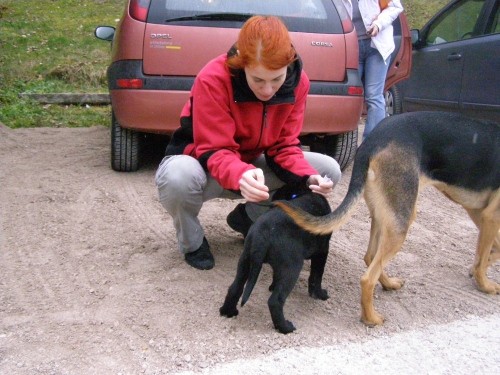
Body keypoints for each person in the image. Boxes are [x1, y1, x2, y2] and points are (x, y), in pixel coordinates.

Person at [155, 16, 341, 270]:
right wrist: (240, 174)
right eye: (258, 80)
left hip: (249, 164)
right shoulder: (213, 77)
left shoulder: (299, 83)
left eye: (276, 79)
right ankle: (193, 243)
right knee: (178, 177)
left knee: (327, 170)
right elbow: (214, 148)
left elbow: (285, 145)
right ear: (242, 64)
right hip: (202, 162)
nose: (268, 90)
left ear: (289, 66)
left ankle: (247, 217)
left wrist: (307, 178)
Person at [342, 0, 404, 139]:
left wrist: (378, 24)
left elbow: (394, 7)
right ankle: (345, 140)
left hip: (377, 45)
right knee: (351, 95)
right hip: (351, 46)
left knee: (374, 95)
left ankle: (372, 142)